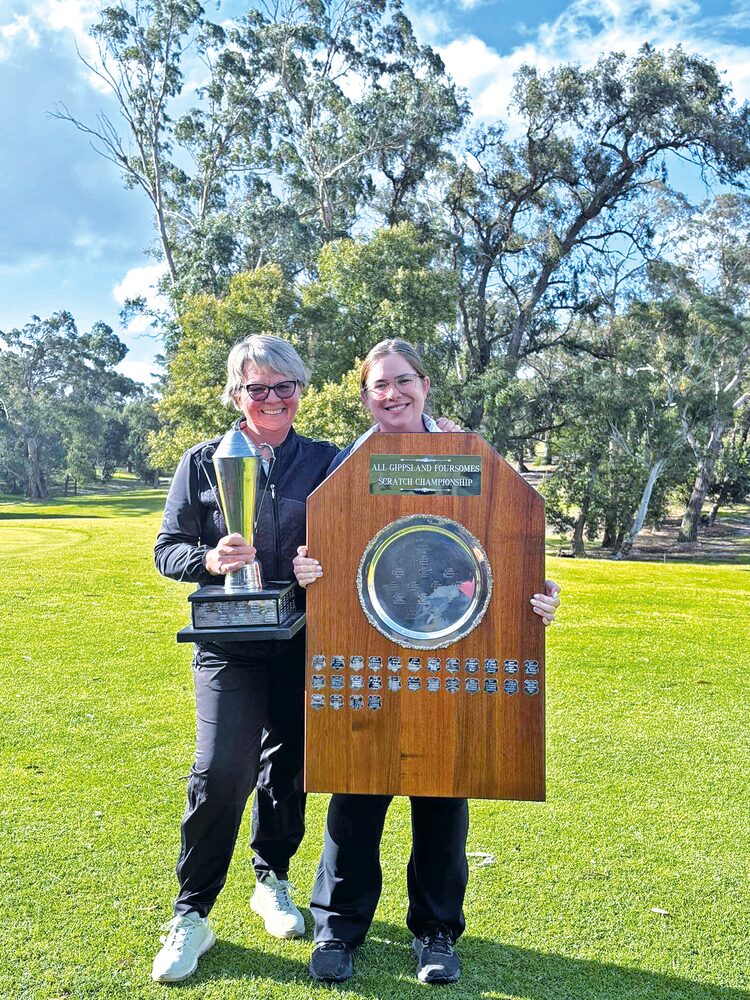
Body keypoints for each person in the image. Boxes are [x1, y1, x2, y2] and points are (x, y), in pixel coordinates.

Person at [293, 338, 561, 986]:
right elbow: (331, 549)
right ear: (364, 396)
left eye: (401, 380)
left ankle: (436, 933)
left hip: (453, 641)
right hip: (369, 641)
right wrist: (309, 570)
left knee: (442, 792)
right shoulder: (347, 465)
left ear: (425, 384)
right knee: (355, 795)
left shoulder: (469, 458)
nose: (391, 393)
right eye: (378, 385)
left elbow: (501, 547)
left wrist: (538, 597)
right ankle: (337, 930)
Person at [150, 335, 339, 983]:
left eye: (285, 387)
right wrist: (208, 560)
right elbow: (167, 547)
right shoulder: (202, 461)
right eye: (259, 388)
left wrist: (439, 437)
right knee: (220, 770)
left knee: (286, 769)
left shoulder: (325, 461)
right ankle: (192, 914)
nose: (273, 399)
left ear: (300, 392)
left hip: (299, 639)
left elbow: (372, 521)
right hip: (226, 643)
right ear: (237, 395)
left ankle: (272, 879)